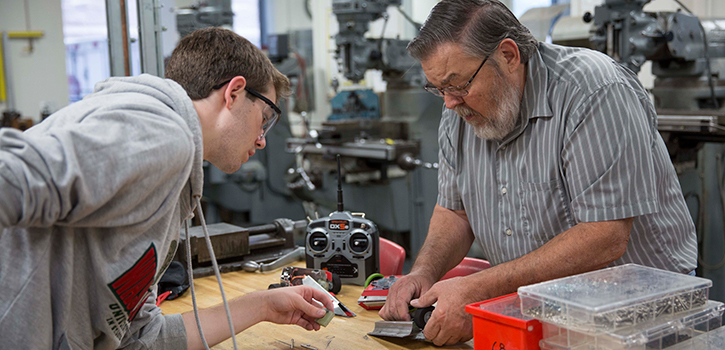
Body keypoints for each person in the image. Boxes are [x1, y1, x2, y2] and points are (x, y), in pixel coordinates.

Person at [379, 0, 698, 346]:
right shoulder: (457, 114)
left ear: (508, 55)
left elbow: (605, 235)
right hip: (541, 310)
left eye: (458, 84)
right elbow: (456, 213)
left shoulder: (592, 91)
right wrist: (423, 272)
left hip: (640, 314)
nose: (450, 102)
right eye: (438, 88)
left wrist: (477, 289)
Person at [0, 27, 333, 350]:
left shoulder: (170, 159)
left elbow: (142, 338)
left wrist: (262, 306)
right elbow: (9, 175)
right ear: (233, 93)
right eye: (265, 116)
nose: (262, 140)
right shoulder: (160, 134)